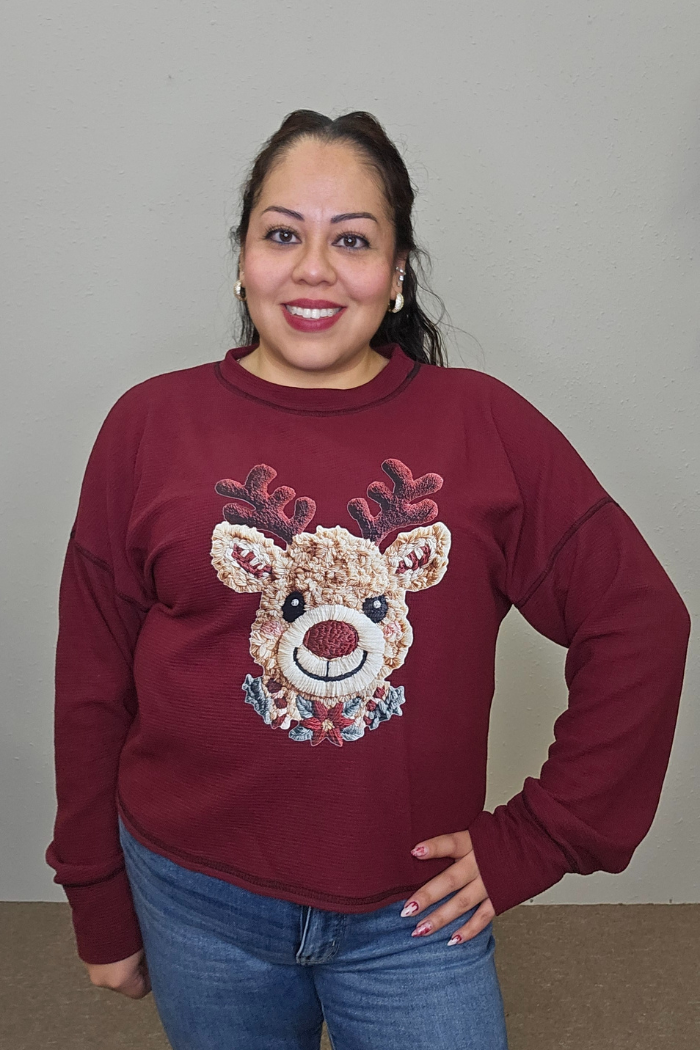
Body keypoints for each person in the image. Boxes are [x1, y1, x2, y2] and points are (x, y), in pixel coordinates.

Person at [46, 109, 691, 1050]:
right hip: (194, 898)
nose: (313, 268)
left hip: (413, 919)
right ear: (242, 260)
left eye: (351, 239)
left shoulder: (485, 425)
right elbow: (93, 679)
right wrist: (97, 894)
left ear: (395, 273)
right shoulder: (147, 426)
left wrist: (545, 834)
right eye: (282, 234)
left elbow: (641, 619)